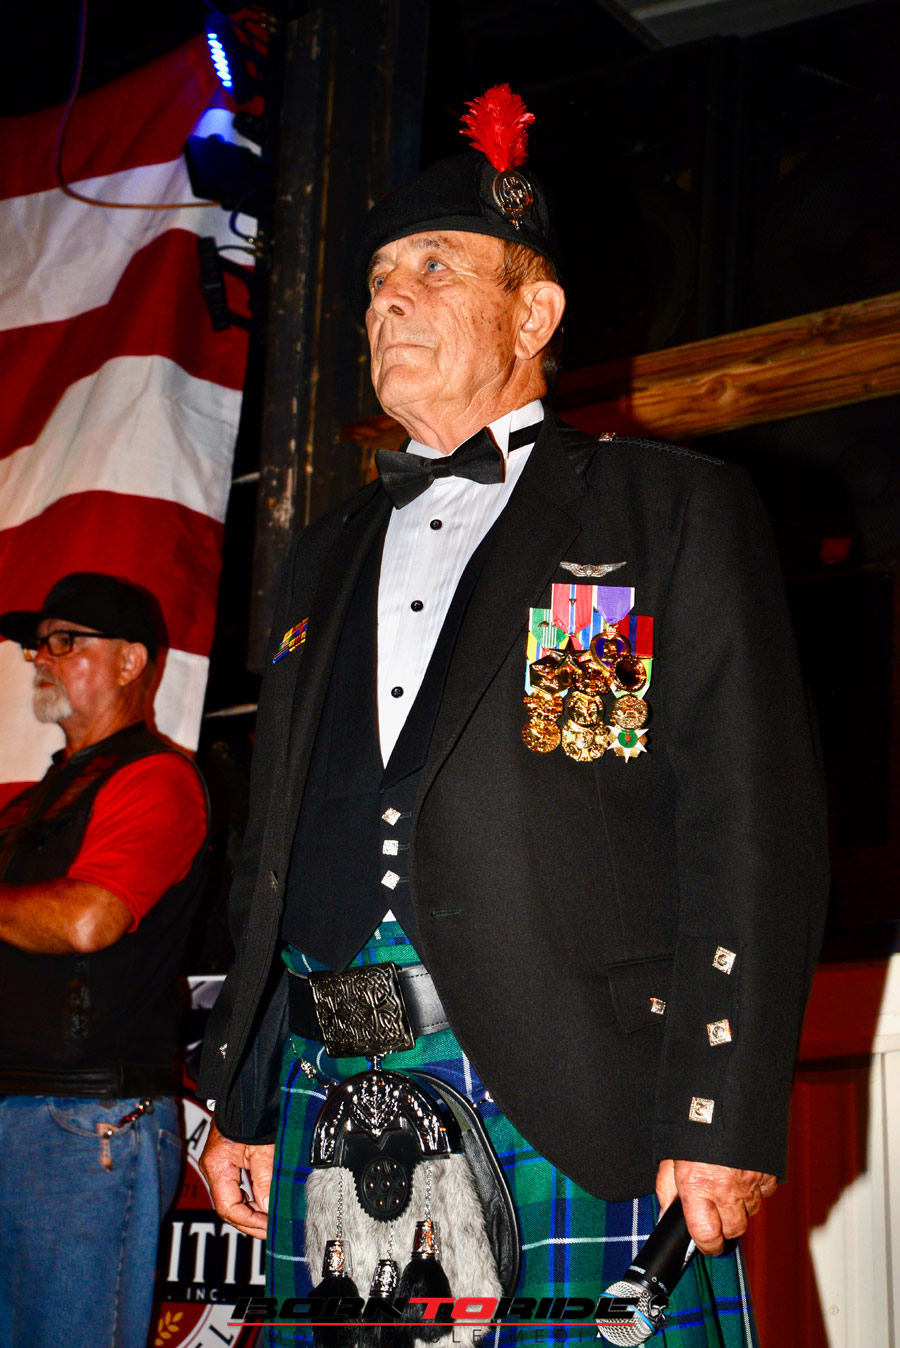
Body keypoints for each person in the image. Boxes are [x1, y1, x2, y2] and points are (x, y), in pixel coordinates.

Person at [197, 86, 828, 1346]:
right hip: (331, 1084)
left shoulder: (665, 511)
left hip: (575, 1091)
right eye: (378, 279)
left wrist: (723, 1110)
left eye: (434, 267)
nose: (390, 299)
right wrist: (246, 1087)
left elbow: (749, 825)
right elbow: (284, 850)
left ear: (534, 314)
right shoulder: (323, 553)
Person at [0, 572, 208, 1348]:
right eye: (37, 645)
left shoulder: (157, 778)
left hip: (86, 1120)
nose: (41, 658)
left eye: (65, 641)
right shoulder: (31, 802)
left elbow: (91, 919)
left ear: (130, 661)